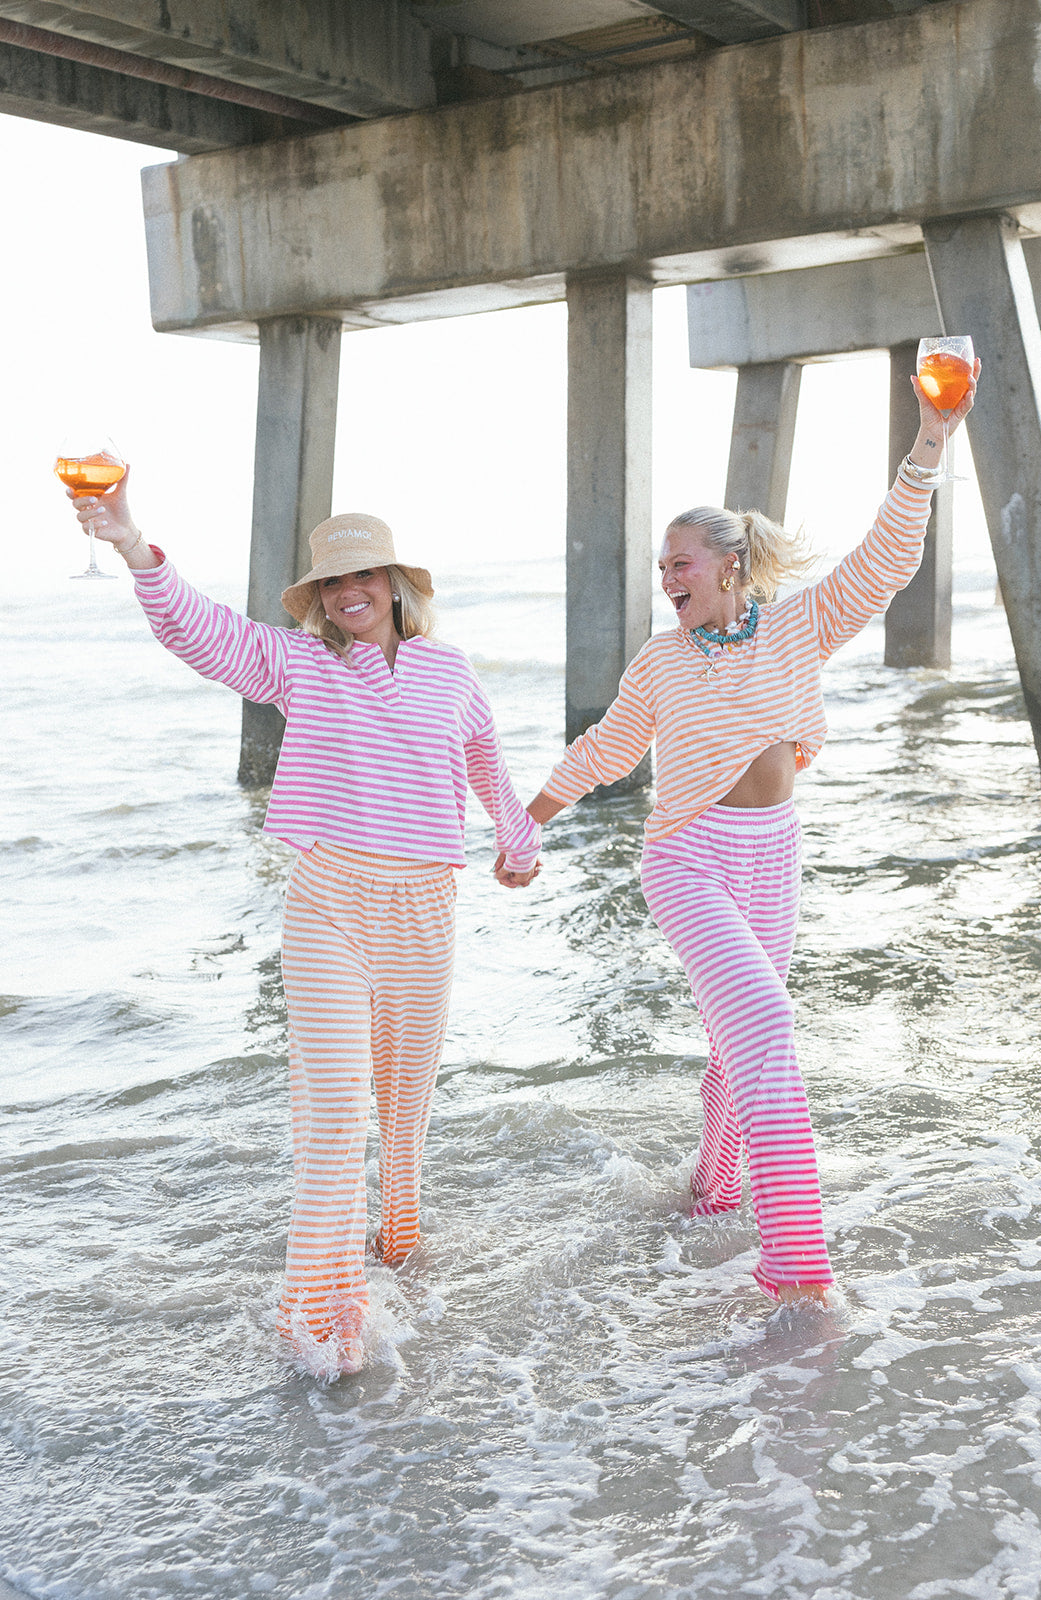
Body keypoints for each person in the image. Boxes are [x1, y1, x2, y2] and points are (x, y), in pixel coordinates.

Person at [524, 363, 979, 1309]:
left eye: (679, 564)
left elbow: (887, 558)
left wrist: (930, 439)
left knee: (736, 1043)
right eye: (661, 569)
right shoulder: (660, 660)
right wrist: (529, 822)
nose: (666, 580)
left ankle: (711, 1187)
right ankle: (795, 1266)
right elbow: (608, 748)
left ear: (728, 565)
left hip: (771, 856)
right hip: (685, 858)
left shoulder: (799, 626)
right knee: (766, 1019)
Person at [67, 481, 541, 1376]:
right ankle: (318, 1313)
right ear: (318, 597)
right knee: (333, 1118)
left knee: (403, 1107)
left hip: (425, 910)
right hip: (330, 902)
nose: (347, 592)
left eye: (363, 575)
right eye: (332, 581)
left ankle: (400, 1235)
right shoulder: (297, 662)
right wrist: (133, 544)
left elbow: (482, 754)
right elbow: (199, 632)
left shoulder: (449, 670)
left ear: (395, 584)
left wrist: (516, 836)